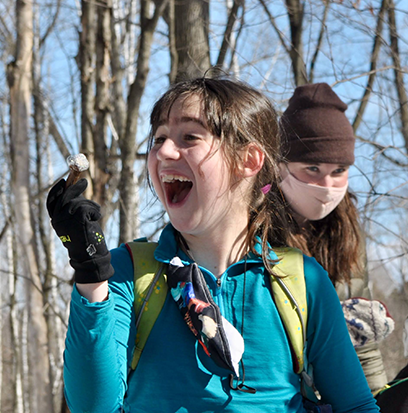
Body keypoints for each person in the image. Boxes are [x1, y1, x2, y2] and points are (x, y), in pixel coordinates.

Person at [46, 77, 380, 412]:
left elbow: (357, 407)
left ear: (248, 161)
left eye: (189, 137)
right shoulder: (129, 271)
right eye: (159, 138)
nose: (163, 151)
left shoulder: (302, 280)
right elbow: (93, 406)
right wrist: (90, 276)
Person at [279, 82, 389, 393]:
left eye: (339, 170)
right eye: (312, 167)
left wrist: (379, 399)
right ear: (281, 164)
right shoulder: (252, 227)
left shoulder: (346, 231)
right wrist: (326, 326)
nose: (326, 184)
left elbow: (364, 351)